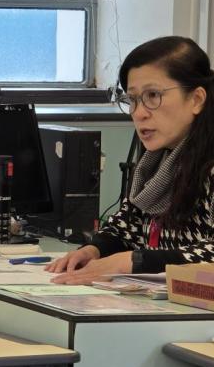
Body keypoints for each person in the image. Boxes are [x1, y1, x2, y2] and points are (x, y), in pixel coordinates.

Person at [46, 36, 214, 284]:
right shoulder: (158, 161)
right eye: (132, 99)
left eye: (153, 95)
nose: (139, 113)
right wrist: (94, 249)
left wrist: (134, 261)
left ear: (196, 99)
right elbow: (128, 225)